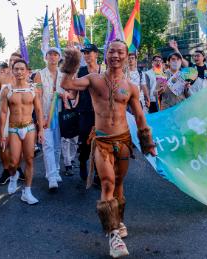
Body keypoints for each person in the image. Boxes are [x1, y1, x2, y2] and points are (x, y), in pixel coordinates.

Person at [61, 40, 156, 258]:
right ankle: (113, 234)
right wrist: (72, 60)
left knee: (119, 186)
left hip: (123, 141)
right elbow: (68, 84)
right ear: (105, 55)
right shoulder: (94, 80)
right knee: (107, 183)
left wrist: (148, 143)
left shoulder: (130, 87)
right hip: (102, 141)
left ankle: (118, 220)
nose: (115, 55)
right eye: (111, 51)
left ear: (126, 56)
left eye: (119, 52)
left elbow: (140, 117)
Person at [0, 59, 44, 205]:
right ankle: (13, 176)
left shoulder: (33, 89)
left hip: (29, 127)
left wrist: (41, 130)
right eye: (16, 69)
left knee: (29, 159)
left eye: (21, 69)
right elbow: (4, 113)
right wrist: (2, 135)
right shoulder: (7, 90)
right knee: (13, 162)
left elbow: (38, 110)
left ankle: (27, 191)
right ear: (12, 70)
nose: (19, 72)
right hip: (13, 128)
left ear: (26, 71)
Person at [33, 47, 65, 192]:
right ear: (46, 57)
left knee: (58, 146)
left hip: (60, 115)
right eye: (50, 54)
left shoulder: (63, 75)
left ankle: (56, 170)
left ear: (59, 57)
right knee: (48, 145)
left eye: (55, 54)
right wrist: (41, 119)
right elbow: (37, 98)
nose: (52, 57)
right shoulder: (39, 74)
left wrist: (64, 95)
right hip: (45, 115)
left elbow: (69, 93)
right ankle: (51, 177)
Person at [0, 53, 25, 185]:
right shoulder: (1, 77)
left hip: (19, 115)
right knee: (3, 143)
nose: (13, 62)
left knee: (19, 143)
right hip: (3, 113)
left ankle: (17, 168)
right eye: (11, 60)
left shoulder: (24, 78)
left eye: (16, 60)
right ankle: (6, 170)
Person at [76, 43, 100, 181]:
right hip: (85, 111)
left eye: (89, 52)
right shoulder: (81, 71)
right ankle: (82, 162)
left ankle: (98, 172)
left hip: (101, 113)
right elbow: (74, 90)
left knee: (100, 141)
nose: (86, 55)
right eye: (84, 53)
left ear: (96, 54)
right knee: (86, 141)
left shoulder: (104, 71)